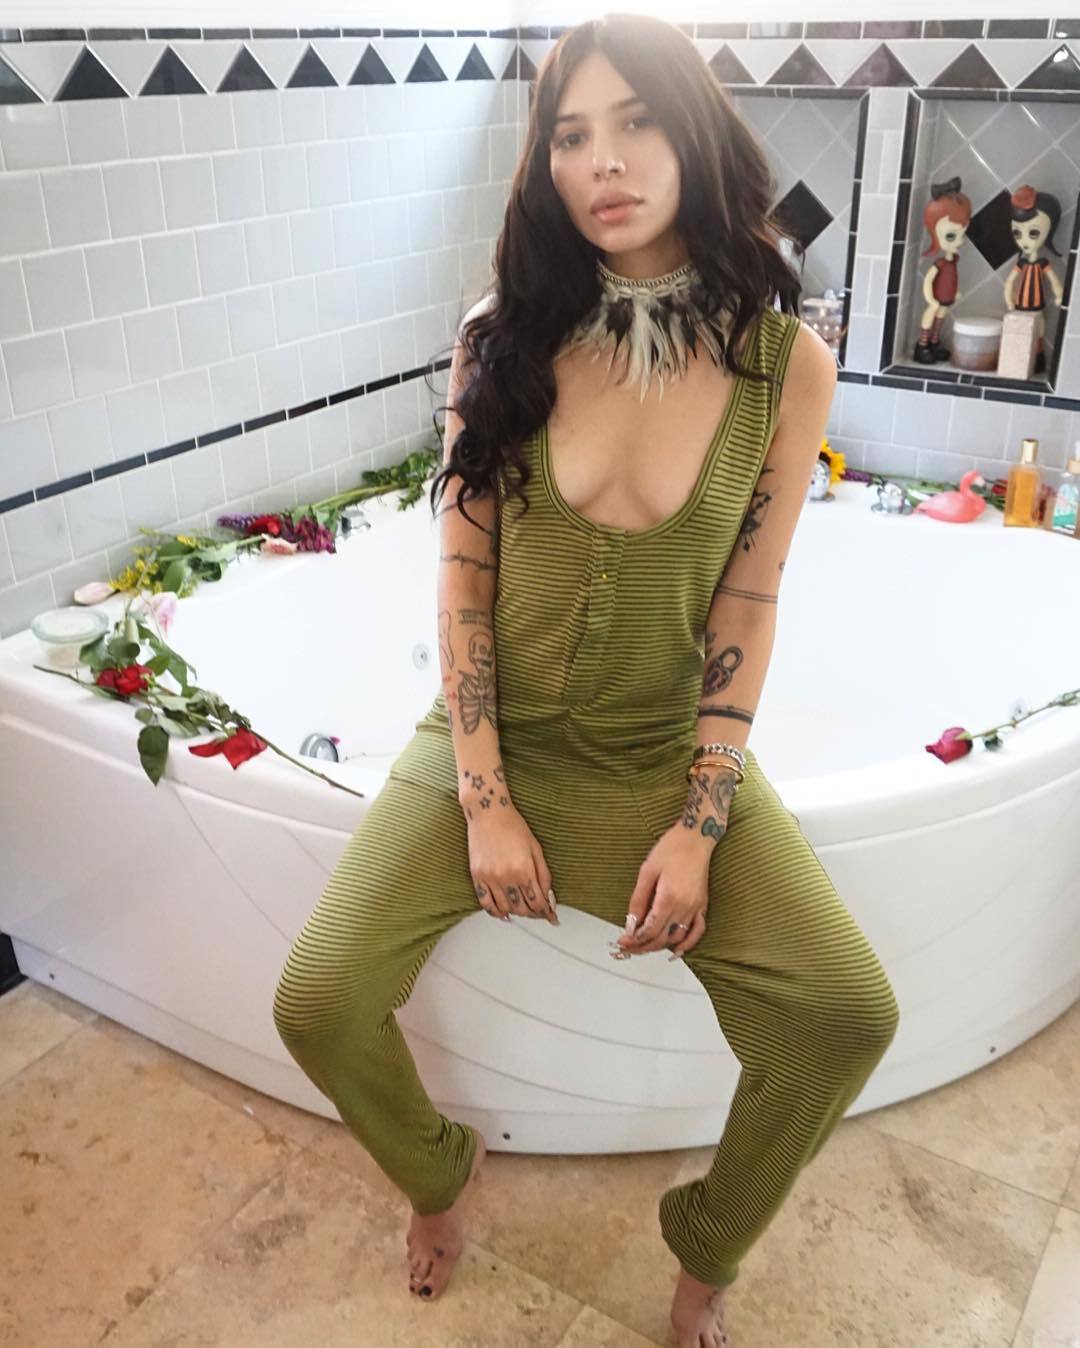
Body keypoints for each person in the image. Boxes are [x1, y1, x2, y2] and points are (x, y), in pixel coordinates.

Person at [272, 15, 900, 1347]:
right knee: (315, 997)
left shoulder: (782, 365)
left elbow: (749, 596)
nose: (602, 162)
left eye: (637, 122)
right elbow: (462, 581)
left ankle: (707, 1250)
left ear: (697, 134)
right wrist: (485, 797)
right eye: (570, 135)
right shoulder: (502, 335)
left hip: (664, 751)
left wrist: (703, 819)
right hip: (490, 738)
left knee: (849, 1012)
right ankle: (438, 1176)